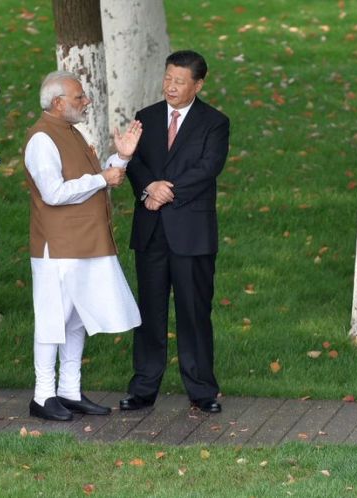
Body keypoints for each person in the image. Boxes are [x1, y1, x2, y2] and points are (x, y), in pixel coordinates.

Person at [24, 70, 141, 421]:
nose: (86, 101)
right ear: (58, 103)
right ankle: (43, 395)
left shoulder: (71, 132)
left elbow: (94, 181)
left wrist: (120, 159)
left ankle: (69, 391)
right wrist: (102, 177)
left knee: (75, 320)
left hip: (85, 241)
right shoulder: (41, 139)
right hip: (56, 245)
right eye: (79, 97)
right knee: (52, 320)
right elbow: (54, 193)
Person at [121, 50, 230, 414]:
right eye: (168, 78)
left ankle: (201, 390)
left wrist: (166, 191)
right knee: (149, 312)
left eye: (179, 81)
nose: (171, 86)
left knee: (194, 312)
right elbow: (134, 160)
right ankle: (143, 388)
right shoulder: (146, 117)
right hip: (151, 231)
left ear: (198, 84)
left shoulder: (214, 122)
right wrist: (148, 187)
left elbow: (208, 167)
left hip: (191, 233)